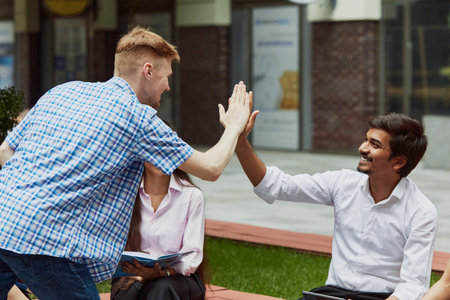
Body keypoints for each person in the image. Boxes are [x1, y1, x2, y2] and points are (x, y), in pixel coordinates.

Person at [0, 26, 250, 299]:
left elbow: (4, 150)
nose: (168, 86)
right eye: (167, 76)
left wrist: (30, 195)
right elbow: (211, 167)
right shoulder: (137, 118)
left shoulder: (62, 92)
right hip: (50, 243)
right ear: (148, 71)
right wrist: (234, 127)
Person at [235, 104, 437, 300]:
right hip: (333, 294)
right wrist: (240, 140)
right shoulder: (343, 183)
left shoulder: (421, 212)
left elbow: (413, 285)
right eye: (365, 140)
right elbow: (276, 186)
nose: (362, 148)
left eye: (374, 145)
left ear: (399, 161)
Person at [110, 159, 209, 300]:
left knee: (160, 290)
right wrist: (140, 275)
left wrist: (162, 273)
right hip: (132, 276)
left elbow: (192, 255)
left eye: (165, 152)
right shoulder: (127, 193)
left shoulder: (192, 196)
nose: (159, 158)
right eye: (153, 151)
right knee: (130, 292)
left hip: (178, 278)